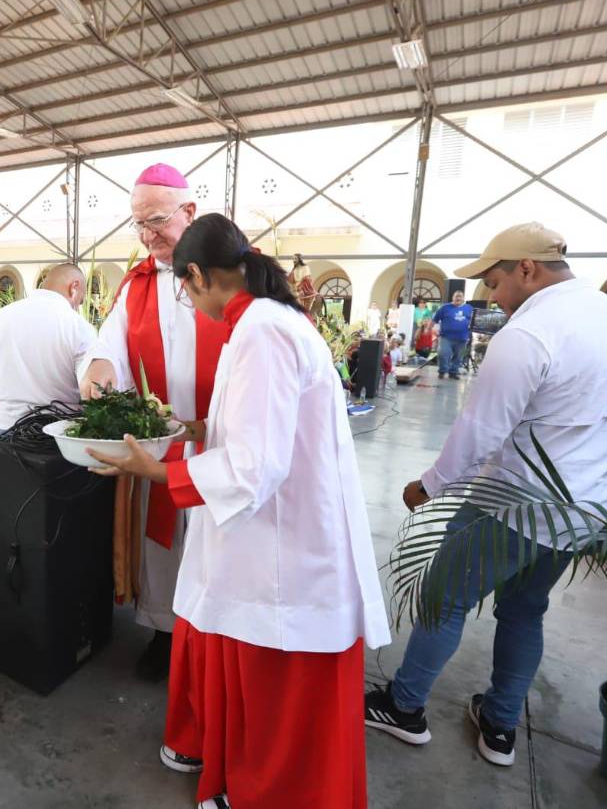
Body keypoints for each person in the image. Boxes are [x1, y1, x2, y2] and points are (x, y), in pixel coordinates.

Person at [89, 214, 389, 809]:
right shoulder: (260, 322)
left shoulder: (263, 333)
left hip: (287, 544)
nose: (185, 300)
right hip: (277, 530)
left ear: (198, 275)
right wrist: (193, 428)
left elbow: (255, 464)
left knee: (277, 697)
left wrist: (157, 470)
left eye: (184, 287)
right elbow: (260, 424)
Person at [365, 222, 607, 767]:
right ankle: (499, 725)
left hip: (512, 503)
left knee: (443, 600)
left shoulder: (529, 333)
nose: (490, 297)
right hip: (584, 509)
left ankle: (404, 707)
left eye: (494, 282)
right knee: (525, 611)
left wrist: (428, 485)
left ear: (527, 268)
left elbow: (481, 430)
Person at [77, 162, 228, 682]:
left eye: (156, 220)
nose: (146, 235)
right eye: (137, 224)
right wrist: (98, 369)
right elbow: (109, 344)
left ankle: (216, 642)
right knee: (162, 547)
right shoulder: (136, 284)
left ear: (190, 211)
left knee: (219, 546)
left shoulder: (230, 270)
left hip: (223, 439)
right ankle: (166, 635)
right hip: (163, 443)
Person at [0, 263, 96, 432]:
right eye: (80, 301)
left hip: (7, 429)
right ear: (74, 288)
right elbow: (89, 389)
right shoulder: (79, 326)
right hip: (58, 434)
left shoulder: (1, 316)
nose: (78, 307)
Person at [432, 290, 473, 379]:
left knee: (458, 357)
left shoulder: (469, 308)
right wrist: (433, 328)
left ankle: (453, 372)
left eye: (460, 296)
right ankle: (442, 371)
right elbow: (435, 320)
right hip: (446, 337)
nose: (458, 298)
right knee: (443, 353)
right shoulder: (445, 308)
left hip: (462, 338)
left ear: (463, 298)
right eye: (456, 296)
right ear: (453, 297)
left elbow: (473, 321)